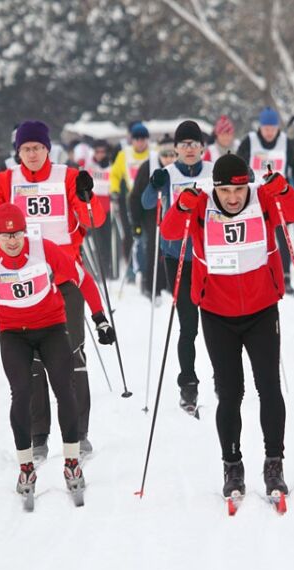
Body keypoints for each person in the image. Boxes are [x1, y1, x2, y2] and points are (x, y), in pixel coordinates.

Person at [160, 153, 294, 502]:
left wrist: (283, 188)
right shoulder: (201, 205)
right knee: (230, 394)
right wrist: (181, 206)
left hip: (261, 311)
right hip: (216, 313)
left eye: (238, 190)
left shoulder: (263, 198)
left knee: (269, 387)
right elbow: (167, 233)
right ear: (216, 188)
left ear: (247, 185)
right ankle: (232, 465)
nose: (232, 198)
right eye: (224, 190)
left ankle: (274, 463)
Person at [0, 119, 106, 459]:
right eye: (26, 149)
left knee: (71, 354)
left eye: (38, 148)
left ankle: (79, 432)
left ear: (48, 148)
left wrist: (88, 196)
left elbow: (93, 220)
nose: (32, 154)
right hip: (20, 282)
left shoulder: (67, 177)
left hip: (63, 278)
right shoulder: (5, 181)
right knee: (32, 362)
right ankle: (39, 434)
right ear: (18, 151)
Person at [0, 203, 114, 503]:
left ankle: (72, 464)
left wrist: (100, 318)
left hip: (51, 329)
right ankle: (26, 467)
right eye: (5, 236)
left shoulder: (44, 250)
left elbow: (82, 279)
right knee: (21, 393)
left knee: (64, 389)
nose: (13, 241)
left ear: (25, 232)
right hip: (13, 335)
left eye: (17, 233)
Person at [142, 120, 214, 413]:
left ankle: (223, 376)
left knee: (216, 321)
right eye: (183, 144)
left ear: (202, 148)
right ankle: (188, 384)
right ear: (175, 148)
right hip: (177, 256)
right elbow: (147, 203)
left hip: (211, 257)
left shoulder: (213, 171)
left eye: (193, 144)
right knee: (188, 324)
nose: (188, 149)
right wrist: (153, 184)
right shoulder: (168, 173)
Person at [237, 107, 294, 296]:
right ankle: (258, 275)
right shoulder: (250, 141)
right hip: (253, 198)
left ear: (277, 128)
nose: (269, 132)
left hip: (277, 197)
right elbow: (237, 165)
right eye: (266, 128)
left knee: (283, 238)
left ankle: (285, 276)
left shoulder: (286, 142)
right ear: (260, 126)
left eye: (272, 128)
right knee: (258, 238)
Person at [130, 134, 174, 300]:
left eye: (172, 155)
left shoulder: (179, 167)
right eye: (165, 155)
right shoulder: (148, 167)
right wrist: (135, 222)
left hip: (172, 214)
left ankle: (170, 284)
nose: (169, 159)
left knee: (171, 249)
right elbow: (135, 196)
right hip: (151, 214)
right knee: (154, 248)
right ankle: (152, 285)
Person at [110, 122, 152, 282]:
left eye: (143, 139)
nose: (140, 142)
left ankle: (148, 269)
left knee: (149, 235)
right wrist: (114, 190)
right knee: (131, 234)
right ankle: (131, 271)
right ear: (132, 140)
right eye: (137, 139)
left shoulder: (153, 153)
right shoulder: (124, 154)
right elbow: (115, 175)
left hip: (149, 199)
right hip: (132, 200)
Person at [85, 140, 116, 279]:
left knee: (108, 241)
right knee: (97, 242)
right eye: (97, 152)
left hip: (109, 208)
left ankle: (109, 270)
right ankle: (99, 270)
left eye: (102, 152)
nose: (100, 155)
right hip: (94, 210)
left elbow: (112, 185)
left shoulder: (111, 166)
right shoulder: (89, 166)